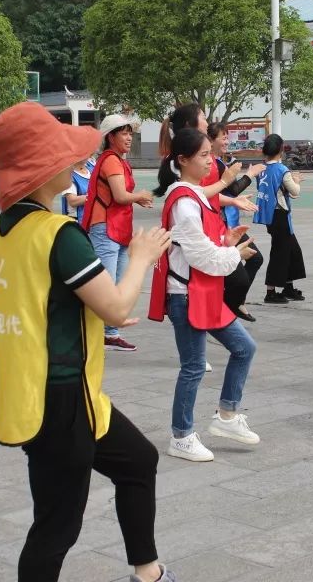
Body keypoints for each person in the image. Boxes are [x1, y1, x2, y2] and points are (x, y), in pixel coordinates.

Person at [0, 102, 176, 582]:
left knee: (138, 461)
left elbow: (49, 300)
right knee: (56, 526)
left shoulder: (4, 229)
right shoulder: (58, 234)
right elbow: (115, 308)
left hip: (47, 390)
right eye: (65, 157)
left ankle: (148, 572)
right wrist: (141, 257)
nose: (75, 164)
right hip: (61, 397)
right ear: (42, 168)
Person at [149, 128, 259, 463]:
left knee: (244, 348)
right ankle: (181, 436)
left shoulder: (193, 194)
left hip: (202, 291)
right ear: (183, 160)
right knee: (194, 366)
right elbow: (201, 257)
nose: (210, 160)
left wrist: (226, 241)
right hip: (186, 294)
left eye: (210, 153)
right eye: (204, 155)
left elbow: (200, 248)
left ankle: (227, 415)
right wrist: (234, 254)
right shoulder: (184, 201)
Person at [82, 114, 155, 352]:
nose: (129, 138)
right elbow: (120, 196)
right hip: (106, 228)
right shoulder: (112, 160)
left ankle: (109, 333)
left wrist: (137, 199)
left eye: (130, 133)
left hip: (117, 228)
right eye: (124, 133)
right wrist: (140, 196)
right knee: (106, 285)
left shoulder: (116, 160)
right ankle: (98, 333)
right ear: (110, 137)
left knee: (116, 285)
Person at [207, 121, 264, 321]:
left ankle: (234, 301)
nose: (226, 141)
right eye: (223, 138)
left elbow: (226, 192)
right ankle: (230, 303)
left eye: (227, 137)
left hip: (228, 222)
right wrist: (250, 175)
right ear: (210, 140)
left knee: (254, 259)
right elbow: (228, 190)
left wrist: (235, 198)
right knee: (241, 267)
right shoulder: (211, 164)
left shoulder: (218, 162)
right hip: (221, 225)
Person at [255, 134, 305, 303]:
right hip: (280, 215)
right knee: (280, 252)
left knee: (292, 251)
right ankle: (270, 292)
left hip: (271, 215)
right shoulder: (282, 170)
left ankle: (288, 287)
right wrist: (296, 180)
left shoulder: (262, 169)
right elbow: (295, 191)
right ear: (281, 150)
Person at [61, 157, 94, 224]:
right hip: (77, 222)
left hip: (93, 219)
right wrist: (95, 196)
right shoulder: (68, 175)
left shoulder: (92, 166)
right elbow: (73, 201)